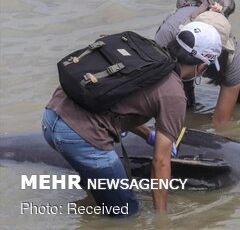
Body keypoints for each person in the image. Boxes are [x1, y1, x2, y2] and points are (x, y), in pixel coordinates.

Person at [42, 21, 222, 217]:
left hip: (51, 116)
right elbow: (160, 163)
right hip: (79, 138)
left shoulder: (144, 52)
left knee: (98, 198)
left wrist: (147, 134)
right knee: (126, 215)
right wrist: (161, 219)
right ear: (202, 65)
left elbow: (115, 102)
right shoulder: (175, 95)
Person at [155, 5, 240, 126]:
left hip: (224, 61)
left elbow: (221, 121)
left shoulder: (230, 59)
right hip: (175, 34)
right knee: (179, 104)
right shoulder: (166, 38)